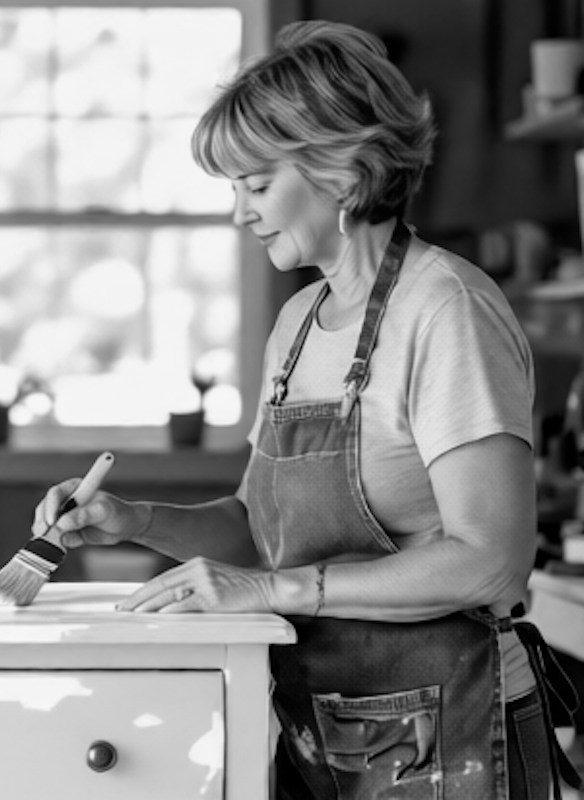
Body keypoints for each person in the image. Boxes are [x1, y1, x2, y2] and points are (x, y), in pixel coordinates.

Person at [34, 20, 580, 799]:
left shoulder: (445, 310)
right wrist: (134, 520)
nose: (240, 214)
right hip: (321, 727)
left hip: (451, 731)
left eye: (257, 186)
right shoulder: (298, 324)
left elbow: (490, 557)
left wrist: (276, 591)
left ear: (344, 174)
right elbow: (260, 534)